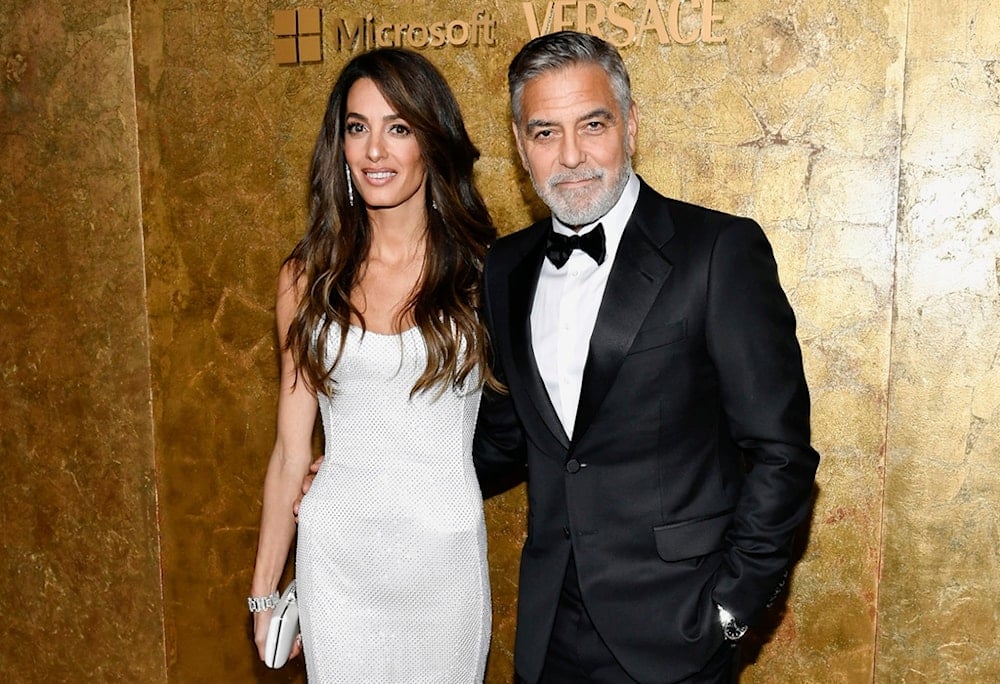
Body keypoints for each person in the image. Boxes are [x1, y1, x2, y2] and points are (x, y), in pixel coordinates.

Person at [473, 31, 821, 683]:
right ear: (521, 147)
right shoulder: (505, 267)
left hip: (679, 636)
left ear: (630, 126)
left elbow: (783, 453)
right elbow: (501, 439)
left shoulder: (717, 252)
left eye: (592, 125)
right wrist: (372, 465)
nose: (571, 156)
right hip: (550, 638)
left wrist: (729, 617)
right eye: (545, 133)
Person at [248, 47, 497, 682]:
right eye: (358, 128)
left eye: (399, 128)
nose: (375, 151)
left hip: (444, 567)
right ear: (340, 145)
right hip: (338, 563)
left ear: (430, 141)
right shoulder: (307, 279)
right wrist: (264, 590)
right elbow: (288, 450)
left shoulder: (482, 273)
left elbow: (536, 424)